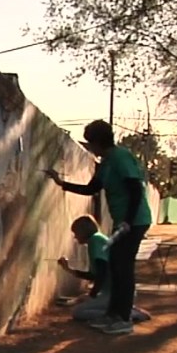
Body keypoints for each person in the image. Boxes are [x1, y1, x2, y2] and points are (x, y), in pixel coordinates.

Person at [44, 120, 153, 335]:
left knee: (123, 267)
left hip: (134, 220)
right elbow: (91, 189)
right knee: (117, 265)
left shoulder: (120, 158)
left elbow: (135, 189)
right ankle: (114, 314)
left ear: (98, 142)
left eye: (90, 142)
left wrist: (128, 221)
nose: (89, 147)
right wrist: (61, 183)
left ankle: (123, 318)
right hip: (123, 221)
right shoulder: (105, 164)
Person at [57, 215, 150, 323]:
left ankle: (126, 313)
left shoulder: (95, 240)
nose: (75, 237)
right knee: (84, 307)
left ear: (83, 231)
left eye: (76, 233)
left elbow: (102, 270)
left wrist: (92, 294)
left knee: (78, 312)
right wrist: (68, 269)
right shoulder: (97, 239)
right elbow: (94, 275)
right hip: (116, 292)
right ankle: (124, 309)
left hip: (117, 292)